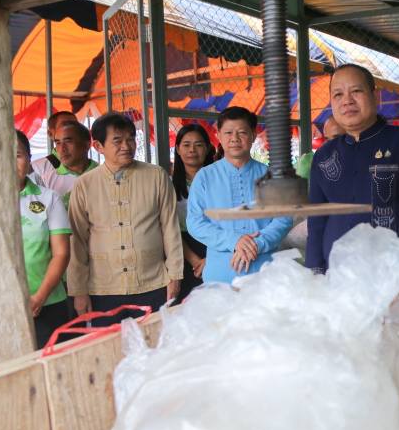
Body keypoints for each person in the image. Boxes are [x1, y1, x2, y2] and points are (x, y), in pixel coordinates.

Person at [306, 64, 399, 289]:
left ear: (374, 95)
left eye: (356, 91)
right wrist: (313, 278)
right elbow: (317, 223)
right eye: (338, 94)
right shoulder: (323, 156)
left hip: (397, 280)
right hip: (338, 281)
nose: (347, 100)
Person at [67, 113, 183, 323]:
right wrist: (78, 290)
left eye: (130, 138)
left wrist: (174, 275)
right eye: (117, 141)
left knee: (157, 347)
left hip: (153, 283)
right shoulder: (84, 184)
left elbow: (170, 228)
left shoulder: (156, 176)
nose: (126, 146)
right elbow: (77, 239)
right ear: (98, 146)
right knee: (112, 349)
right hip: (103, 288)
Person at [186, 107, 292, 283]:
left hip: (264, 272)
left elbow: (284, 219)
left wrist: (257, 244)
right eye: (228, 132)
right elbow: (195, 222)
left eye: (242, 132)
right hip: (220, 274)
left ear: (253, 135)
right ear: (218, 135)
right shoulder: (205, 176)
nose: (234, 138)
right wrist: (234, 241)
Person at [15, 130, 73, 349]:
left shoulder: (48, 197)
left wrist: (38, 298)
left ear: (29, 160)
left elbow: (61, 253)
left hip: (48, 303)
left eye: (18, 155)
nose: (10, 162)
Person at [172, 124, 217, 300]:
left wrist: (211, 259)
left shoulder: (219, 182)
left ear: (207, 149)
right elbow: (170, 229)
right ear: (177, 149)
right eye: (186, 144)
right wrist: (195, 261)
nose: (192, 150)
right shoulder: (168, 185)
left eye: (198, 145)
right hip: (183, 250)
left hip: (216, 246)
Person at [34, 121, 98, 209]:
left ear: (87, 144)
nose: (62, 149)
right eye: (58, 143)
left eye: (68, 141)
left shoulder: (104, 175)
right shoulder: (46, 181)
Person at [31, 110, 78, 184]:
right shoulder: (37, 168)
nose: (71, 130)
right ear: (50, 134)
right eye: (65, 125)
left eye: (75, 126)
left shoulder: (94, 167)